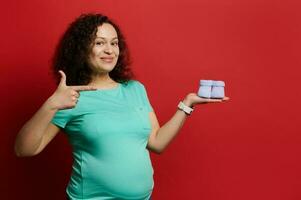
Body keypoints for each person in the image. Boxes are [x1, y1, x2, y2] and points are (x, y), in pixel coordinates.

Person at [14, 13, 229, 200]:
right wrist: (51, 105)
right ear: (80, 49)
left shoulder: (135, 89)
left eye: (114, 43)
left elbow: (157, 143)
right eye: (99, 43)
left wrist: (187, 104)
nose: (109, 50)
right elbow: (24, 150)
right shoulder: (70, 96)